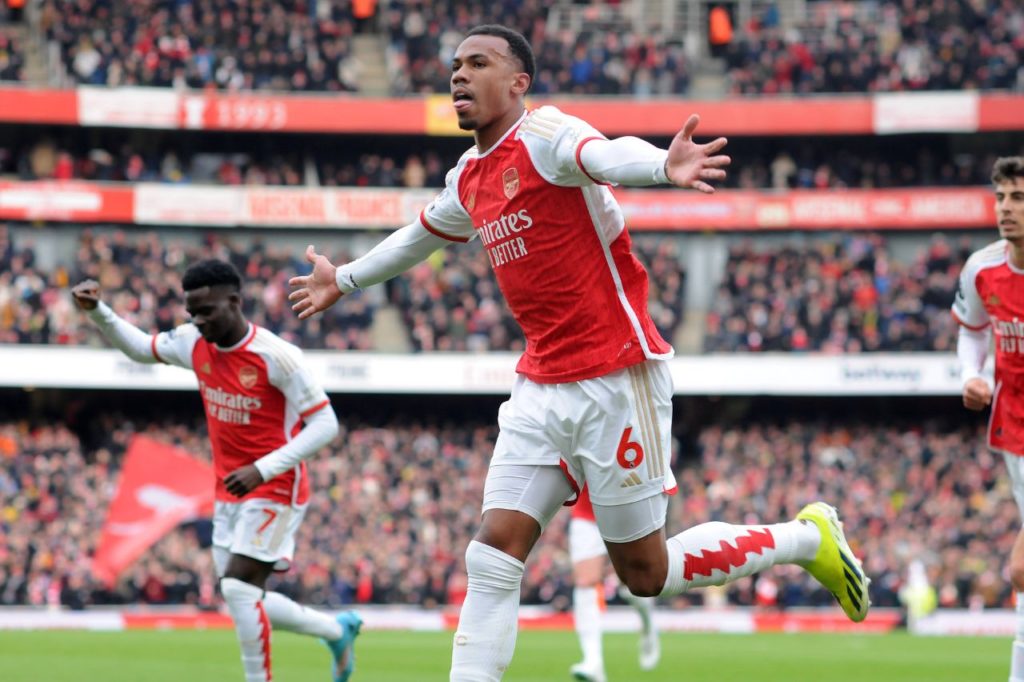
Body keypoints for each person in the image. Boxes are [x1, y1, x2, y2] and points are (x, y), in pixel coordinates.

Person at [288, 24, 869, 682]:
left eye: (478, 63)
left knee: (647, 575)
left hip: (617, 376)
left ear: (518, 83)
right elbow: (418, 237)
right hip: (541, 385)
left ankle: (804, 538)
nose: (458, 75)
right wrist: (345, 279)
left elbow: (604, 154)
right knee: (492, 555)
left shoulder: (546, 136)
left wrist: (659, 166)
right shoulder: (470, 176)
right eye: (454, 65)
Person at [71, 259, 362, 682]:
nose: (199, 321)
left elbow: (325, 424)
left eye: (207, 311)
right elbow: (140, 348)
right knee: (243, 596)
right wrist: (99, 311)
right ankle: (337, 630)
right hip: (229, 488)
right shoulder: (193, 342)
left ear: (235, 302)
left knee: (239, 590)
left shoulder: (277, 356)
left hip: (275, 484)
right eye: (193, 313)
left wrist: (262, 469)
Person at [953, 156, 1024, 682]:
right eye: (1001, 197)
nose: (1006, 209)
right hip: (1014, 429)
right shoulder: (982, 269)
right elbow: (972, 331)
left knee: (1023, 570)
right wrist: (970, 375)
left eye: (1018, 198)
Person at [568, 486, 659, 682]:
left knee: (635, 583)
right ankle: (593, 661)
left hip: (628, 509)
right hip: (587, 511)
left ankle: (648, 627)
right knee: (585, 581)